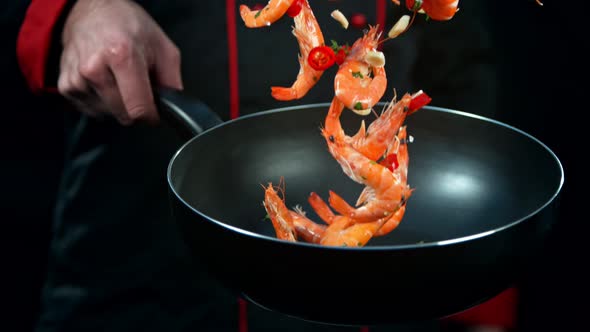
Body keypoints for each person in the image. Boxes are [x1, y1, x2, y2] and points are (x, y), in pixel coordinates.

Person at [3, 1, 554, 331]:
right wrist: (75, 10)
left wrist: (484, 306)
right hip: (144, 271)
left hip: (389, 299)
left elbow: (459, 67)